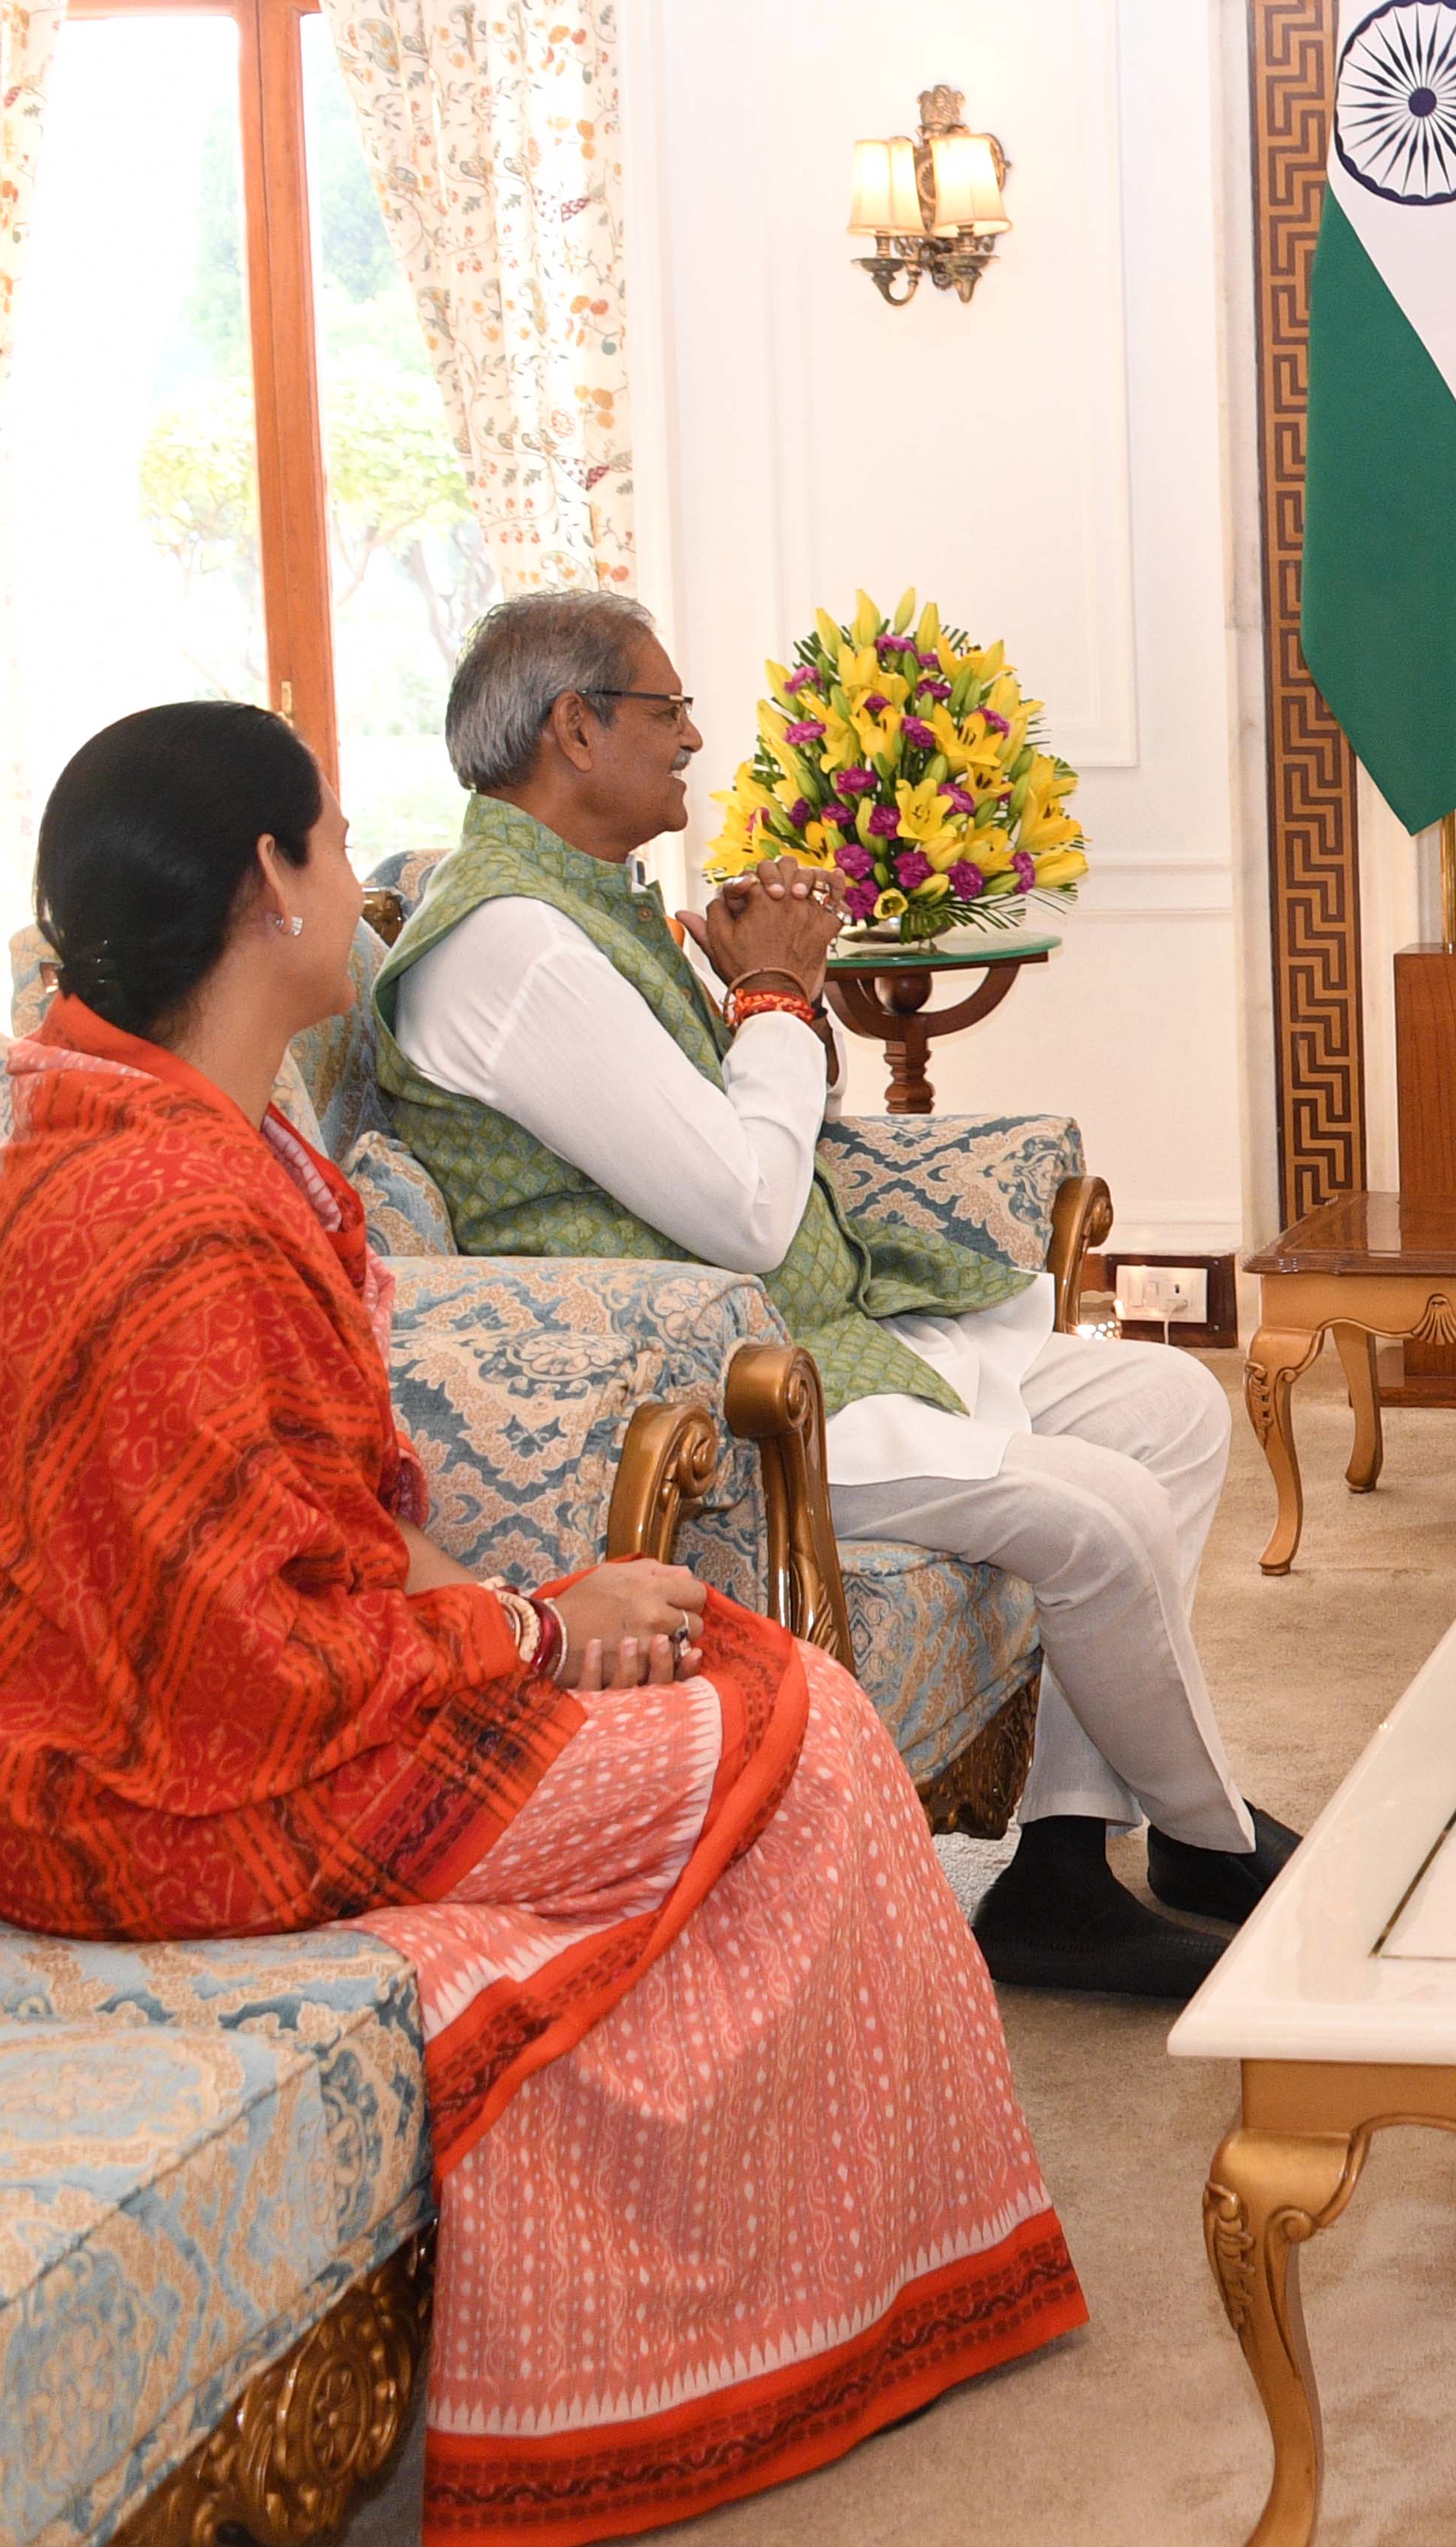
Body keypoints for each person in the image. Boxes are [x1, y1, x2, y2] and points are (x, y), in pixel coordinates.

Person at [0, 702, 1087, 2544]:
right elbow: (253, 1668)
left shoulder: (170, 1130)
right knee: (802, 1737)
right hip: (165, 1802)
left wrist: (521, 1613)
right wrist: (534, 1632)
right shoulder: (160, 1203)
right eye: (329, 839)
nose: (354, 874)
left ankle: (773, 2293)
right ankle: (707, 2352)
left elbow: (310, 1540)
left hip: (215, 1736)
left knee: (731, 1660)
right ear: (265, 882)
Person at [371, 588, 1282, 2001]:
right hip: (709, 1388)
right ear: (574, 728)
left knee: (1168, 1407)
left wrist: (768, 996)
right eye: (668, 708)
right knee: (1098, 1514)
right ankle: (1210, 1840)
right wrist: (778, 999)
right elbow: (742, 1210)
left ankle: (1061, 1865)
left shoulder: (584, 906)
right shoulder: (513, 950)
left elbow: (767, 1139)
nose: (692, 738)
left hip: (813, 1334)